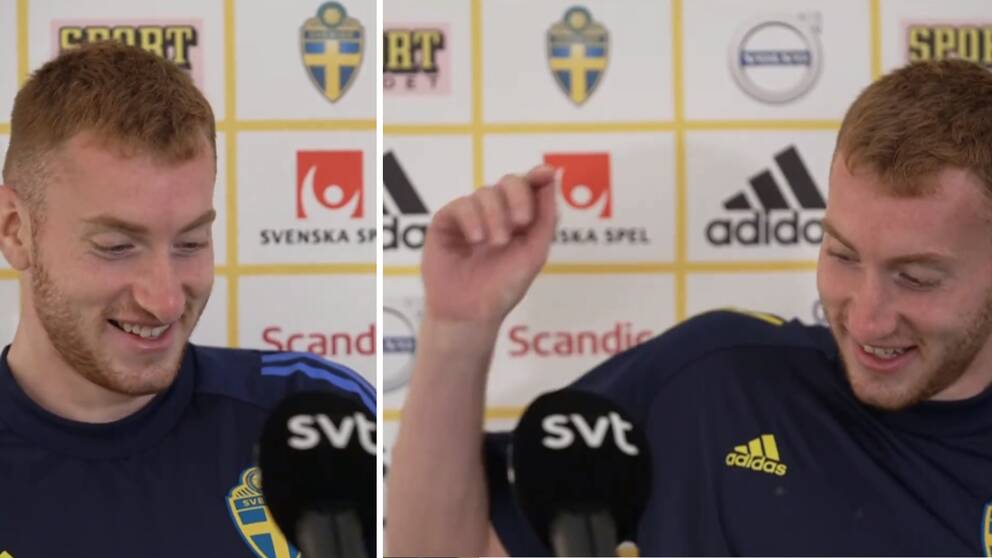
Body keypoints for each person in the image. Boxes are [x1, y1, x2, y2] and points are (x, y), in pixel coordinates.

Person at [388, 59, 992, 556]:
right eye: (842, 254)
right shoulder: (713, 380)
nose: (866, 318)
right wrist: (457, 328)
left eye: (916, 278)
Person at [0, 42, 374, 556]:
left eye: (191, 243)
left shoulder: (319, 422)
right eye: (116, 246)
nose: (166, 301)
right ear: (15, 231)